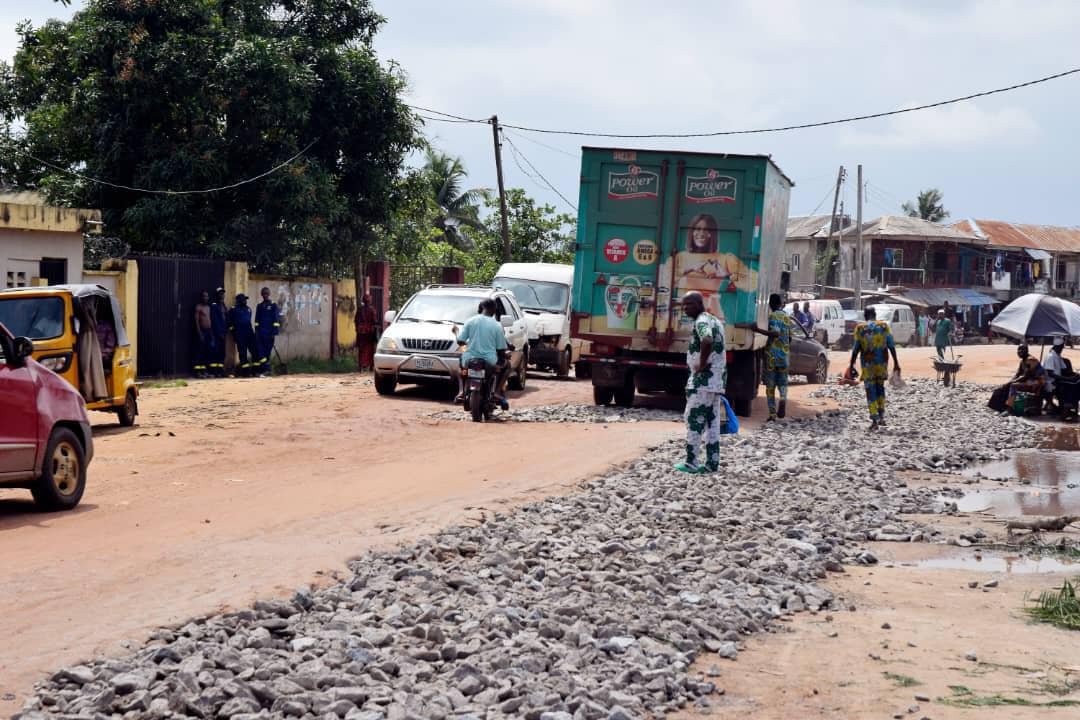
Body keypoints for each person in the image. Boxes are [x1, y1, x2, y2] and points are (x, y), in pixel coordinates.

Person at [675, 291, 727, 473]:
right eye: (683, 305)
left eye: (688, 305)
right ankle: (712, 464)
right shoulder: (715, 320)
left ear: (698, 303)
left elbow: (707, 340)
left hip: (703, 382)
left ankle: (691, 463)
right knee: (712, 424)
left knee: (694, 419)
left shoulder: (701, 321)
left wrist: (701, 365)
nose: (685, 309)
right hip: (716, 381)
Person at [849, 306, 901, 430]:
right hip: (881, 364)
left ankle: (874, 420)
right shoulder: (883, 326)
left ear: (865, 316)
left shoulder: (860, 328)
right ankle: (882, 415)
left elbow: (856, 349)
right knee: (880, 389)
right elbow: (891, 346)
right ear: (875, 315)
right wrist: (896, 363)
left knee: (870, 391)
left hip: (868, 366)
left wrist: (851, 364)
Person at [452, 299, 510, 409]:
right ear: (493, 310)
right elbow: (501, 349)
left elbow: (460, 341)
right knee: (507, 366)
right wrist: (506, 355)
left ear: (481, 308)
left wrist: (456, 331)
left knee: (461, 369)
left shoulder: (470, 321)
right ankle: (496, 392)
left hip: (469, 360)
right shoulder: (497, 326)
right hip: (490, 362)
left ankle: (461, 392)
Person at [753, 293, 795, 421]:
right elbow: (790, 337)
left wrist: (758, 330)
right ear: (780, 303)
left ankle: (772, 414)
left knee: (770, 386)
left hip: (772, 356)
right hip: (784, 356)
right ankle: (782, 399)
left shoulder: (772, 316)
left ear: (770, 304)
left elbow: (775, 333)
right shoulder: (787, 317)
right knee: (783, 383)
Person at [1006, 344, 1045, 413]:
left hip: (1038, 381)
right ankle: (1014, 404)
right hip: (1030, 380)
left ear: (1026, 351)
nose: (1019, 352)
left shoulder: (1031, 360)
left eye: (1021, 351)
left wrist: (1012, 382)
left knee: (1013, 386)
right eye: (1018, 350)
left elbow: (1025, 375)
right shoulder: (1022, 361)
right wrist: (1010, 381)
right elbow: (1018, 373)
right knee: (1011, 384)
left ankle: (1010, 408)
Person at [253, 287, 281, 377]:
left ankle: (265, 370)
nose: (265, 295)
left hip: (269, 335)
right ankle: (266, 369)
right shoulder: (259, 306)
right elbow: (256, 321)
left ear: (269, 294)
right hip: (260, 334)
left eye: (266, 293)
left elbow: (276, 321)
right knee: (260, 352)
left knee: (267, 353)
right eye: (263, 294)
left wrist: (274, 333)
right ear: (261, 295)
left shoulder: (273, 306)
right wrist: (256, 332)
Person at [227, 293, 258, 377]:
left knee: (255, 352)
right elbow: (230, 324)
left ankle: (256, 371)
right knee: (243, 354)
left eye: (245, 299)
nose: (245, 301)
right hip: (240, 335)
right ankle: (246, 372)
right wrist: (235, 335)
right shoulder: (233, 310)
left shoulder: (248, 309)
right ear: (239, 301)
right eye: (243, 299)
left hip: (250, 334)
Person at [355, 293, 379, 372]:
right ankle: (370, 366)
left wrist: (357, 329)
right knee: (370, 349)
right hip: (369, 333)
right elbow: (375, 321)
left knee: (361, 350)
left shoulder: (359, 310)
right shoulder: (372, 310)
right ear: (369, 301)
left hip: (361, 332)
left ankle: (361, 366)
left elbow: (356, 321)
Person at [193, 290, 213, 378]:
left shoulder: (208, 307)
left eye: (207, 296)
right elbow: (196, 321)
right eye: (204, 296)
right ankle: (198, 372)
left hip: (209, 331)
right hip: (202, 331)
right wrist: (199, 333)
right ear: (201, 298)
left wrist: (211, 332)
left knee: (207, 352)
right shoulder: (198, 307)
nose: (206, 298)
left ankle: (205, 371)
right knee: (199, 352)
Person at [209, 288, 228, 377]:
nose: (222, 295)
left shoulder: (224, 306)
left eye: (223, 294)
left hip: (223, 333)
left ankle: (220, 370)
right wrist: (217, 332)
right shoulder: (214, 306)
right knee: (214, 352)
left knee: (222, 352)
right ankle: (214, 371)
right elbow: (214, 320)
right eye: (220, 294)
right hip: (216, 333)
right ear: (217, 295)